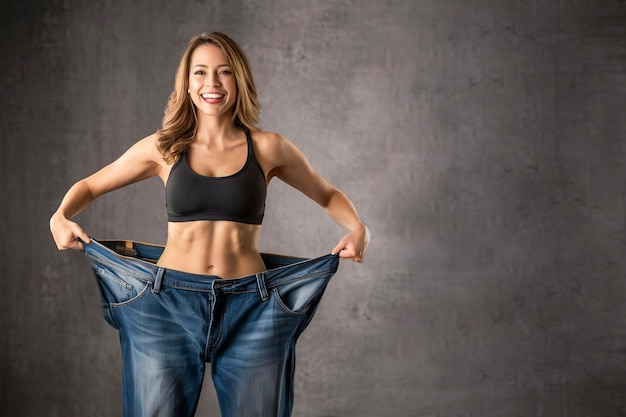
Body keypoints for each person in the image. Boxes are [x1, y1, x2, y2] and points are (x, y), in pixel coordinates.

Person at [49, 32, 369, 417]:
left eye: (224, 72)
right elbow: (90, 185)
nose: (212, 84)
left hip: (253, 309)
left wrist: (357, 227)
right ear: (187, 84)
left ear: (240, 80)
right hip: (167, 305)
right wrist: (60, 216)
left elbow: (328, 194)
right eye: (200, 72)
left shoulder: (268, 148)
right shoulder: (164, 148)